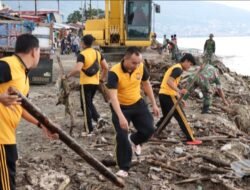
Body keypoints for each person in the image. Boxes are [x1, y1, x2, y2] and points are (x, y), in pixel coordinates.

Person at [0, 34, 56, 190]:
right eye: (39, 51)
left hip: (8, 136)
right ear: (34, 51)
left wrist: (41, 124)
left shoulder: (23, 74)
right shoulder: (7, 65)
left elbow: (22, 108)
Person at [107, 47, 160, 177]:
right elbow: (113, 97)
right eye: (133, 63)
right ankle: (124, 167)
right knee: (122, 136)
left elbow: (146, 84)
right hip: (120, 106)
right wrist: (120, 117)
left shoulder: (141, 67)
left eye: (138, 63)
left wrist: (154, 104)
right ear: (126, 59)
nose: (136, 66)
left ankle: (134, 140)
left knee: (149, 130)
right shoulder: (114, 72)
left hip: (137, 103)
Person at [66, 34, 108, 135]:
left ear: (83, 43)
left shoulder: (82, 54)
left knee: (84, 106)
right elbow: (106, 67)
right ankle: (98, 119)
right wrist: (101, 79)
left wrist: (67, 76)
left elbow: (77, 69)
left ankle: (89, 129)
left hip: (86, 83)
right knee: (89, 104)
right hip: (95, 83)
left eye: (81, 42)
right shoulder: (98, 53)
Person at [156, 53, 202, 145]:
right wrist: (180, 91)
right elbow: (169, 82)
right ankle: (191, 138)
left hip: (163, 94)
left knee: (166, 117)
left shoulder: (176, 67)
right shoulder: (178, 69)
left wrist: (180, 98)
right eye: (190, 64)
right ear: (186, 61)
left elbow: (170, 84)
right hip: (168, 95)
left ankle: (154, 132)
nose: (190, 67)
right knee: (182, 117)